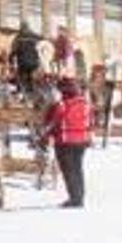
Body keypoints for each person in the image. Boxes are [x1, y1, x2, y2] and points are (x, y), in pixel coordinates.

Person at [41, 76, 92, 208]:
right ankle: (79, 196)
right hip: (82, 140)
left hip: (65, 141)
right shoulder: (85, 103)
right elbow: (91, 121)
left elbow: (52, 123)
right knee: (77, 168)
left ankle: (75, 199)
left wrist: (45, 136)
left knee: (68, 170)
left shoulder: (61, 105)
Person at [11, 23, 42, 92]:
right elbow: (41, 44)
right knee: (30, 74)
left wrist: (10, 59)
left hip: (23, 61)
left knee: (22, 75)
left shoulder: (18, 37)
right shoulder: (35, 36)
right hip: (34, 61)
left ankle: (22, 90)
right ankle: (31, 88)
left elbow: (14, 49)